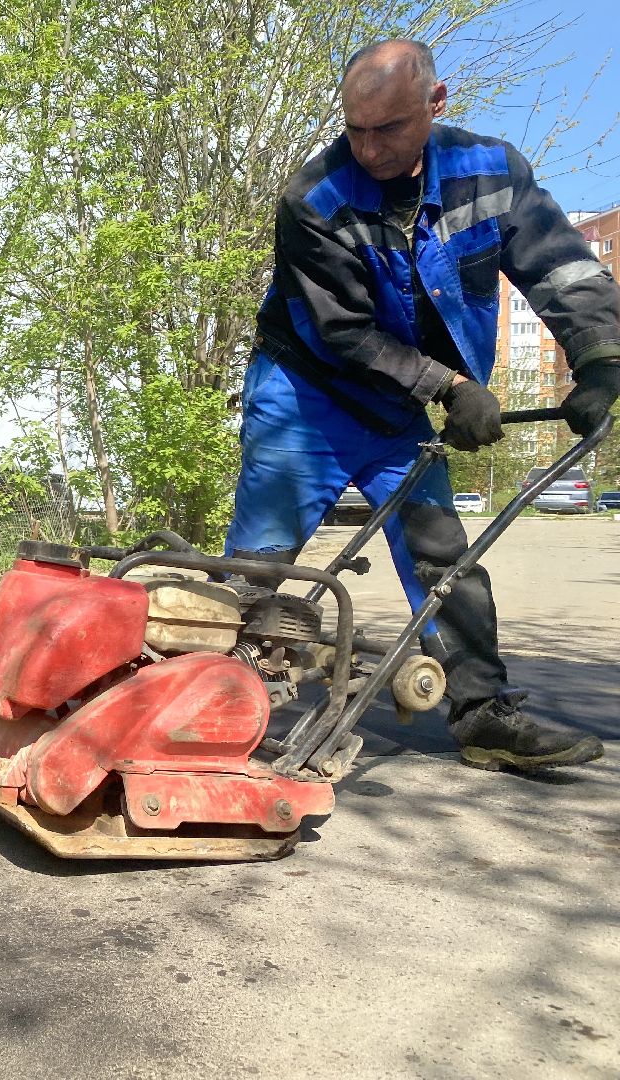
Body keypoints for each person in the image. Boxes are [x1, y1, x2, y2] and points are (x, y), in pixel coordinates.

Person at [226, 39, 620, 771]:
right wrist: (451, 388)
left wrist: (600, 356)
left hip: (401, 406)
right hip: (305, 396)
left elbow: (561, 266)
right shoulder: (314, 199)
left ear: (436, 105)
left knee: (447, 561)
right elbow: (343, 332)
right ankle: (205, 700)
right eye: (355, 129)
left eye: (390, 128)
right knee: (258, 566)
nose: (369, 147)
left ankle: (484, 717)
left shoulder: (492, 173)